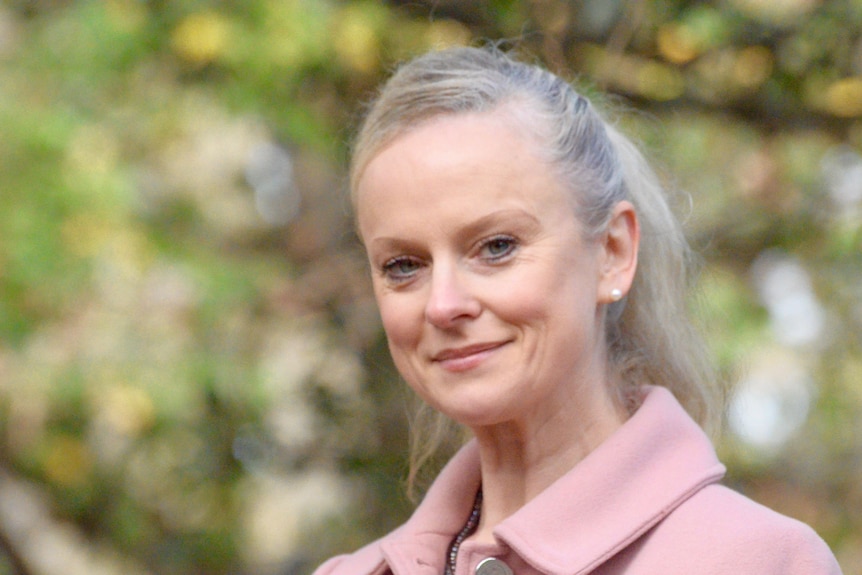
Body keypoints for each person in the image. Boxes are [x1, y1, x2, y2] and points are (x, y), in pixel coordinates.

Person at [314, 46, 843, 575]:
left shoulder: (761, 561)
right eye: (404, 265)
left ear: (613, 252)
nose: (444, 304)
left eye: (496, 246)